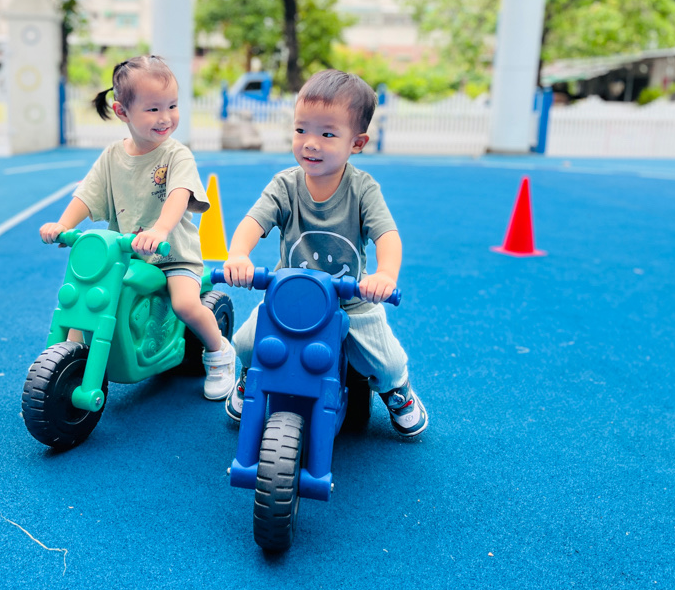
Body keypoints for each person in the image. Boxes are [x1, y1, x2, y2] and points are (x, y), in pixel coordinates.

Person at [220, 69, 427, 436]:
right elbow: (254, 221)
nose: (310, 143)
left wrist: (384, 275)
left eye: (327, 134)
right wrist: (239, 254)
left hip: (351, 301)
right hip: (290, 298)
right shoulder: (285, 185)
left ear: (357, 143)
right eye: (301, 130)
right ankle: (250, 375)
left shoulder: (362, 189)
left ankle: (398, 391)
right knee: (247, 343)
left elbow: (387, 235)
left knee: (388, 363)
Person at [39, 55, 236, 400]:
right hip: (126, 254)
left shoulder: (176, 155)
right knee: (86, 304)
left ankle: (219, 352)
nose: (166, 117)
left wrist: (160, 230)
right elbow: (88, 194)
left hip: (173, 255)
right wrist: (64, 225)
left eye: (172, 106)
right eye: (153, 109)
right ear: (122, 112)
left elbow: (178, 194)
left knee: (185, 305)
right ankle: (71, 365)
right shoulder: (112, 156)